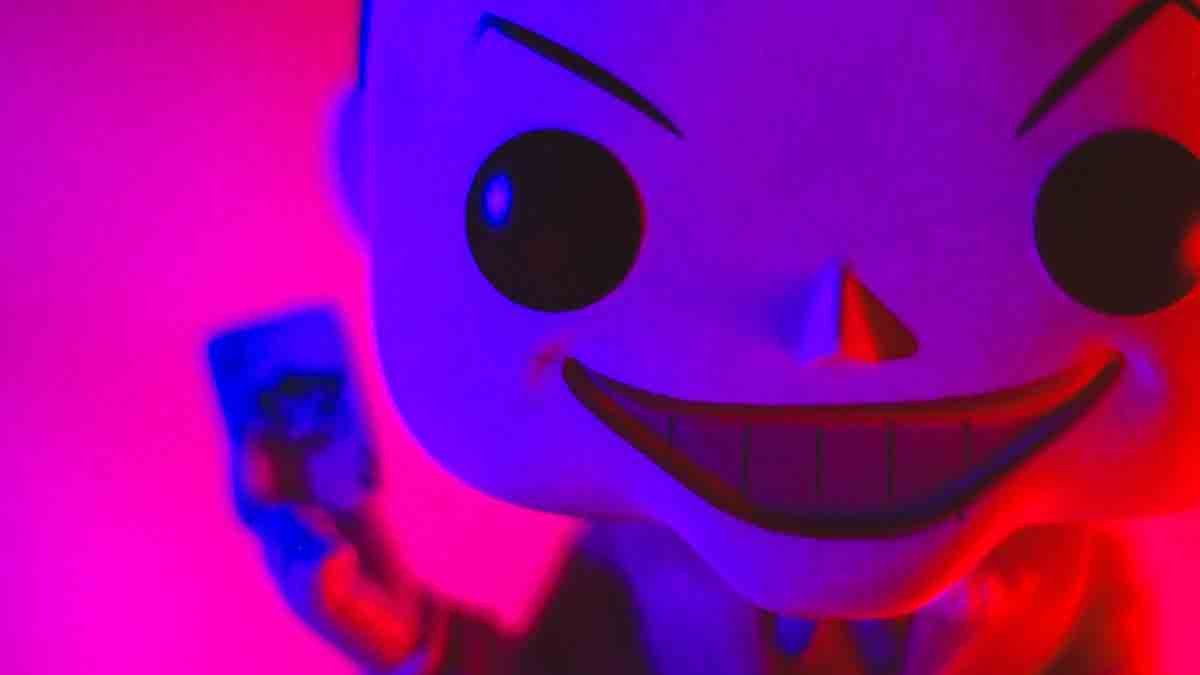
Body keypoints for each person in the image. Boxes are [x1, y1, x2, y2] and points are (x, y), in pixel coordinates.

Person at [236, 1, 1200, 672]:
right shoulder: (638, 565)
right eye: (561, 210)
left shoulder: (1063, 588)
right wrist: (408, 637)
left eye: (1128, 218)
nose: (839, 333)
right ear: (373, 175)